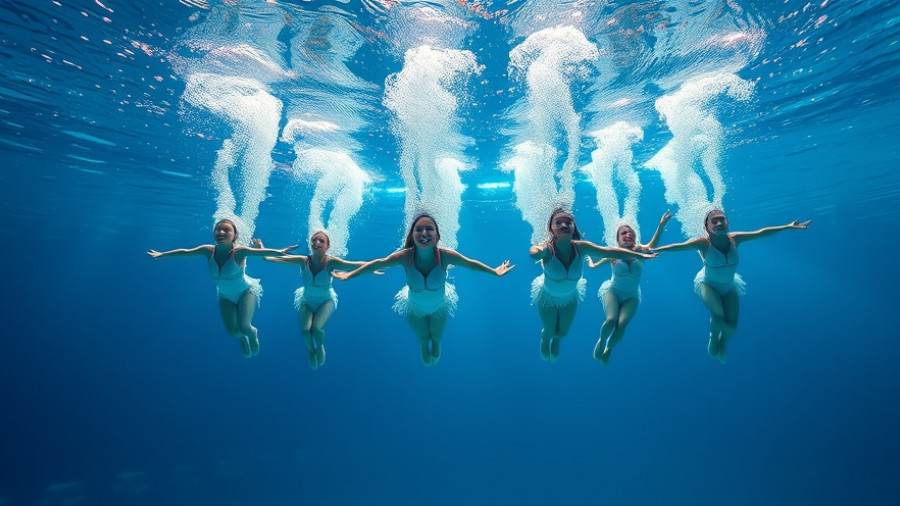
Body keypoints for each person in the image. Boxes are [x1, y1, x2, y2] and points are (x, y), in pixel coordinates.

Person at [333, 213, 514, 365]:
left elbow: (470, 264)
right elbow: (378, 263)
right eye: (419, 229)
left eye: (429, 229)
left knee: (435, 338)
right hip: (414, 306)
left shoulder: (445, 256)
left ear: (438, 235)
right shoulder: (405, 257)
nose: (424, 233)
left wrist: (494, 272)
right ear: (412, 235)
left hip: (440, 305)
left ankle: (435, 344)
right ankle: (423, 345)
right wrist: (349, 275)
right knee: (422, 339)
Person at [655, 210, 810, 362]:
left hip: (729, 284)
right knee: (718, 315)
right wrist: (654, 250)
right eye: (714, 221)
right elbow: (678, 246)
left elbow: (761, 233)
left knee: (732, 325)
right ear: (706, 227)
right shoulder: (703, 243)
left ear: (728, 223)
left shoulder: (735, 239)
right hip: (707, 283)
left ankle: (723, 342)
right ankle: (714, 338)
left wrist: (787, 226)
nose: (719, 223)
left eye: (722, 219)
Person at [147, 218, 296, 358]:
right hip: (224, 296)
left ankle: (252, 334)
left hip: (245, 292)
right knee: (233, 333)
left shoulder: (239, 252)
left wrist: (279, 252)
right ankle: (243, 339)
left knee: (244, 327)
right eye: (218, 230)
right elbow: (186, 252)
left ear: (234, 236)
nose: (221, 233)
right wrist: (163, 254)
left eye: (226, 230)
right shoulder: (208, 250)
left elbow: (259, 252)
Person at [530, 208, 657, 362]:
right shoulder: (548, 250)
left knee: (562, 333)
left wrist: (639, 255)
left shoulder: (581, 247)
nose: (564, 225)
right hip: (548, 297)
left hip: (570, 297)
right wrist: (537, 250)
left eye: (568, 222)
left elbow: (610, 251)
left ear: (573, 227)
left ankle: (557, 340)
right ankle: (546, 339)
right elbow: (535, 253)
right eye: (558, 222)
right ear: (552, 229)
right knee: (550, 330)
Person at [264, 231, 374, 370]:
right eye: (314, 240)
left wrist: (372, 268)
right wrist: (263, 251)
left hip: (326, 300)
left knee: (316, 328)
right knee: (305, 330)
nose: (317, 243)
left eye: (321, 241)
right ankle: (311, 351)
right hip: (306, 299)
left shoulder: (331, 262)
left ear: (327, 246)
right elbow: (273, 259)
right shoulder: (302, 260)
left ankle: (320, 347)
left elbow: (353, 264)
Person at [587, 211, 672, 365]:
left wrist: (660, 226)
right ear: (618, 240)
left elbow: (653, 245)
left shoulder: (639, 250)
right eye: (624, 233)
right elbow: (594, 266)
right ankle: (602, 340)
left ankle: (608, 348)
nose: (628, 235)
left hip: (632, 296)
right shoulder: (612, 254)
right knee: (612, 319)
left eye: (631, 233)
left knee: (622, 324)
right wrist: (590, 263)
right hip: (612, 291)